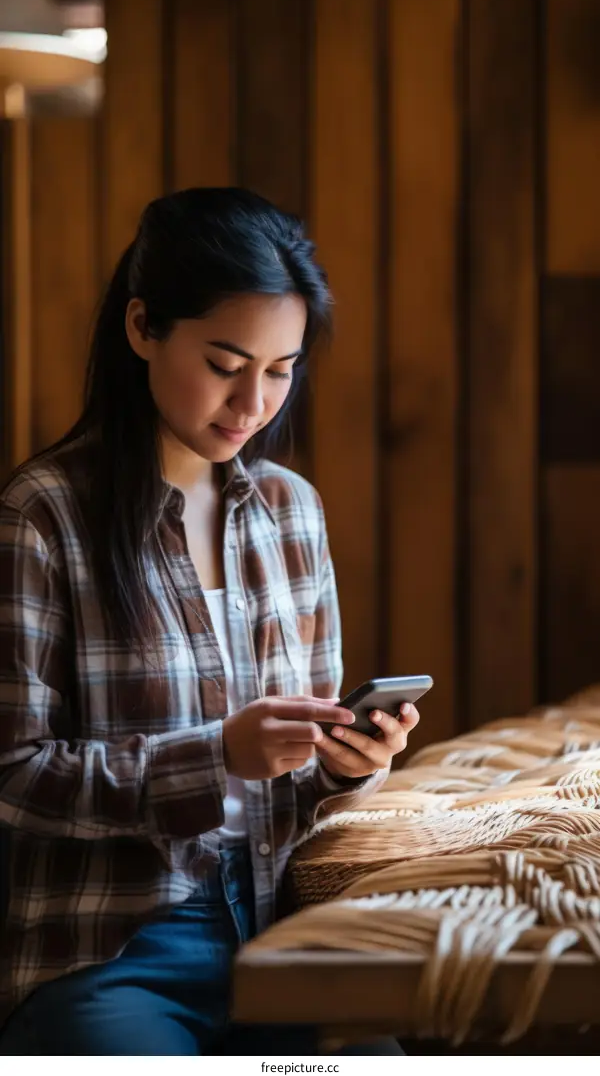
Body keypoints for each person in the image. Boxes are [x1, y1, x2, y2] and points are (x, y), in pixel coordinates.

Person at [0, 188, 419, 1056]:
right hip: (108, 949)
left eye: (280, 368)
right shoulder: (41, 514)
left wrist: (347, 767)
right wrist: (217, 753)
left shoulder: (289, 511)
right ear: (143, 326)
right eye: (226, 362)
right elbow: (12, 773)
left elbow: (291, 785)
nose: (254, 401)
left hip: (276, 932)